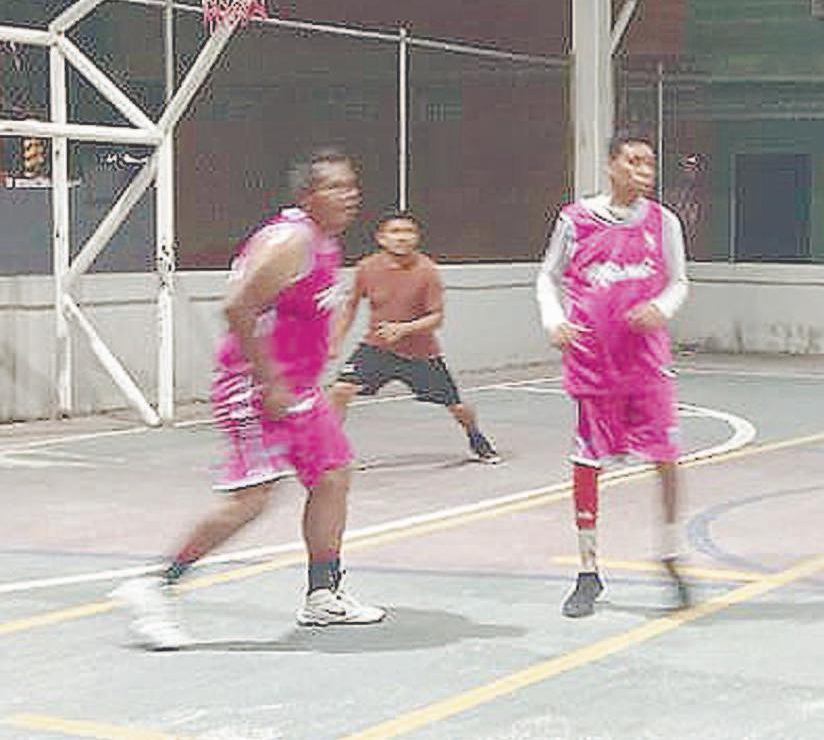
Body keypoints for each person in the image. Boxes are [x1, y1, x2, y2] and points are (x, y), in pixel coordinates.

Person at [113, 147, 386, 650]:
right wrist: (271, 380)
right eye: (336, 186)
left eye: (352, 185)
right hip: (255, 385)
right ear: (308, 195)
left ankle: (323, 595)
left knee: (332, 474)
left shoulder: (324, 242)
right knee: (251, 500)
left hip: (299, 388)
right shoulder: (290, 241)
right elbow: (238, 308)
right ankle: (155, 587)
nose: (350, 195)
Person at [537, 129, 692, 618]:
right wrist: (553, 319)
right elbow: (547, 276)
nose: (643, 171)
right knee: (588, 462)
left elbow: (679, 281)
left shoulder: (664, 222)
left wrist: (662, 307)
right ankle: (588, 570)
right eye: (633, 161)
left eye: (649, 163)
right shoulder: (576, 220)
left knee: (666, 459)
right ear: (610, 165)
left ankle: (670, 553)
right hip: (594, 362)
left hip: (646, 364)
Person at [328, 211, 499, 462]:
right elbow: (350, 307)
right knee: (340, 390)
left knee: (457, 407)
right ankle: (332, 451)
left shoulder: (427, 270)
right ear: (381, 238)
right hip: (377, 348)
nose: (402, 237)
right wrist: (335, 341)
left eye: (408, 232)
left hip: (420, 354)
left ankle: (476, 438)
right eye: (395, 232)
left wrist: (403, 329)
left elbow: (436, 318)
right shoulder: (366, 268)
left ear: (416, 238)